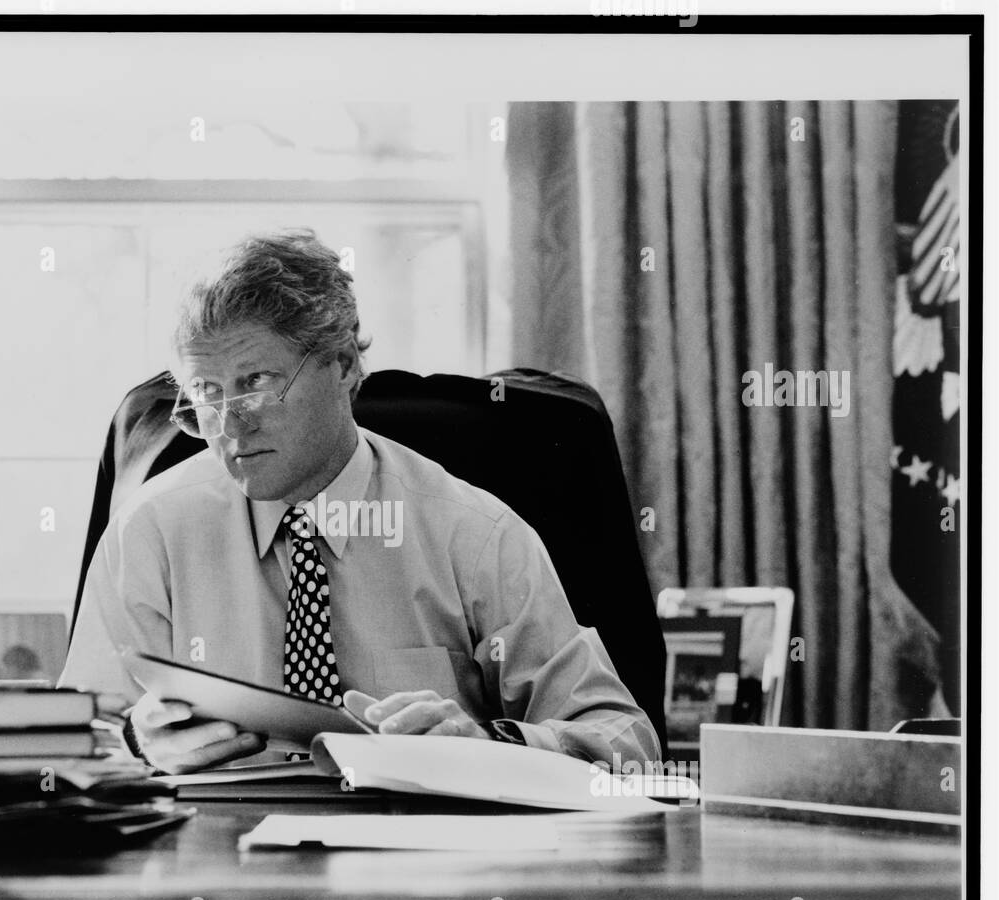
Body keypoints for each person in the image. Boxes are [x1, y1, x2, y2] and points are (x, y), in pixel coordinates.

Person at [60, 229, 660, 774]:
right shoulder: (150, 531)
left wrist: (492, 742)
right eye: (206, 394)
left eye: (257, 384)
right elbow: (72, 749)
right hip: (218, 865)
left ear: (343, 365)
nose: (230, 427)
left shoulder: (473, 533)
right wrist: (136, 745)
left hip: (417, 860)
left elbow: (628, 741)